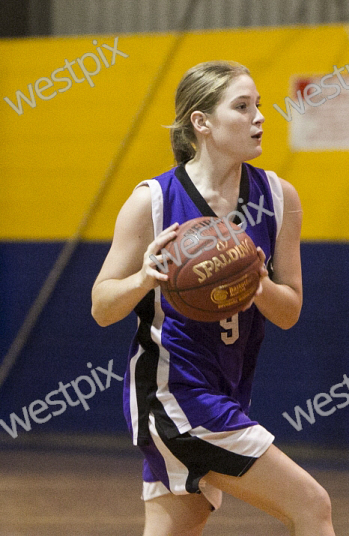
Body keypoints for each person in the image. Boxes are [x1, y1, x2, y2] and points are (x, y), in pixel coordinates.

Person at [91, 61, 336, 536]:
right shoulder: (154, 201)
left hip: (227, 388)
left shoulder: (279, 197)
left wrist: (254, 280)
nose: (259, 117)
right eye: (242, 107)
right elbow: (101, 307)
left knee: (179, 527)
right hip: (171, 394)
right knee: (312, 505)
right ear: (201, 123)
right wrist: (145, 278)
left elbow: (289, 313)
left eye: (259, 105)